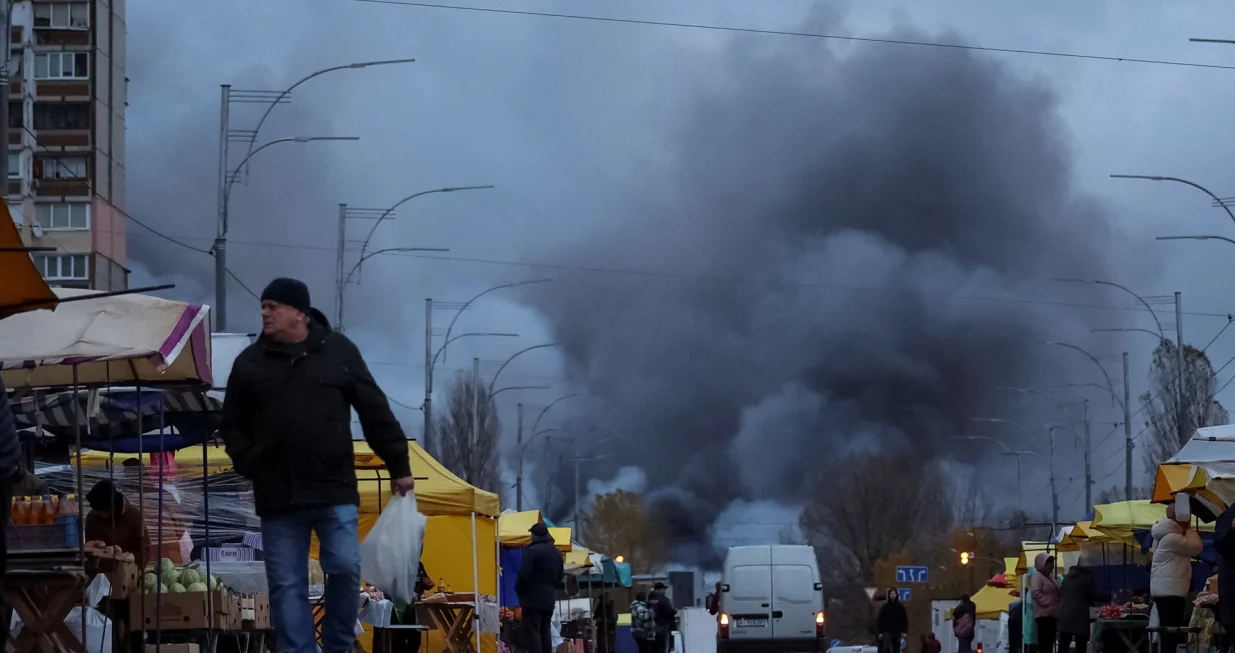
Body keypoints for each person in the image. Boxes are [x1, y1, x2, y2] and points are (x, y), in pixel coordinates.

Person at [220, 278, 414, 653]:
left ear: (300, 313)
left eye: (273, 306)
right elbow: (231, 423)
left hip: (332, 488)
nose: (265, 313)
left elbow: (374, 409)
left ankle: (338, 646)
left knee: (344, 566)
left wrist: (399, 464)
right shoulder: (250, 363)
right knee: (286, 584)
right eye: (262, 307)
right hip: (278, 495)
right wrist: (247, 460)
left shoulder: (338, 351)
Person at [1151, 504, 1202, 653]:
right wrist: (1189, 529)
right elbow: (1196, 546)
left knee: (1169, 629)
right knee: (1171, 630)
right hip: (1171, 589)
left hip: (1166, 587)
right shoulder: (1172, 538)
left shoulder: (1162, 535)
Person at [516, 523, 565, 653]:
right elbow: (560, 578)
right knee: (545, 631)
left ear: (534, 535)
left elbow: (524, 575)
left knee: (532, 632)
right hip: (548, 600)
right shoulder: (557, 553)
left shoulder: (532, 551)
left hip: (532, 599)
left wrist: (520, 591)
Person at [83, 479, 152, 567]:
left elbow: (145, 548)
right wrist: (93, 547)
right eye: (95, 509)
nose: (96, 512)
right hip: (100, 568)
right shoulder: (93, 517)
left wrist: (133, 557)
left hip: (127, 567)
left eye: (100, 511)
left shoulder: (134, 516)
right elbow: (89, 542)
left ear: (111, 508)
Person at [1057, 563, 1104, 653]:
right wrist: (1110, 595)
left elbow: (1062, 592)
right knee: (1081, 645)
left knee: (1063, 643)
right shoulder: (1087, 578)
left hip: (1065, 614)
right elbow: (1094, 595)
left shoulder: (1067, 577)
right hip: (1080, 615)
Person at [1030, 553, 1061, 653]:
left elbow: (1058, 590)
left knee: (1049, 642)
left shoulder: (1049, 577)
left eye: (1052, 562)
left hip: (1052, 614)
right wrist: (1046, 602)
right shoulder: (1037, 575)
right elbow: (1035, 592)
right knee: (1045, 642)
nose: (1051, 565)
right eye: (1049, 562)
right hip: (1044, 615)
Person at [648, 581, 678, 653]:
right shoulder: (663, 599)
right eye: (663, 589)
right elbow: (669, 611)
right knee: (663, 647)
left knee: (653, 648)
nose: (664, 591)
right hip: (663, 626)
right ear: (660, 589)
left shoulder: (650, 599)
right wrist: (675, 611)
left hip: (651, 628)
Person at [879, 589, 909, 653]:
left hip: (897, 631)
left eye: (894, 593)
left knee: (896, 648)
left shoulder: (900, 606)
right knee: (886, 648)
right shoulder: (885, 606)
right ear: (889, 595)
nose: (892, 595)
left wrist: (904, 631)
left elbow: (904, 619)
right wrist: (880, 632)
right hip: (887, 631)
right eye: (891, 593)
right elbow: (881, 619)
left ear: (896, 595)